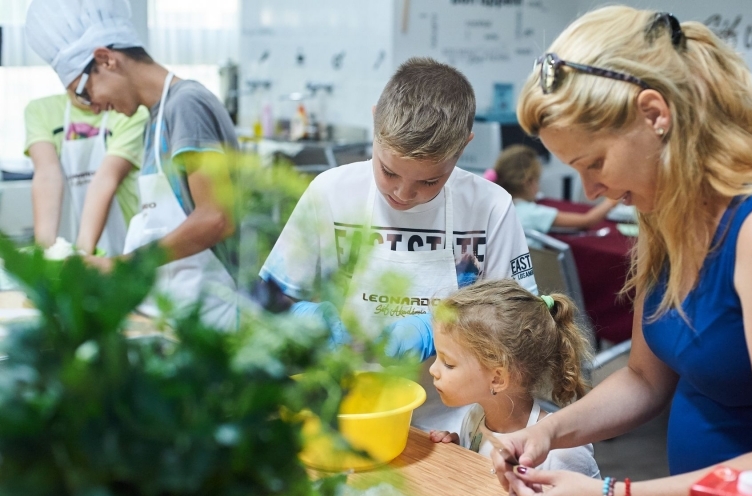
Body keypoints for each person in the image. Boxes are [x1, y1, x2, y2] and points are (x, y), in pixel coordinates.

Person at [489, 7, 752, 496]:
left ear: (655, 113)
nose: (591, 191)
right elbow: (643, 379)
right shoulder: (664, 218)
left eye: (595, 163)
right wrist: (547, 432)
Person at [259, 57, 538, 434]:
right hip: (346, 412)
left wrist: (436, 329)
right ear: (375, 122)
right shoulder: (331, 193)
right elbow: (265, 304)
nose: (403, 193)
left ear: (464, 146)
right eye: (388, 171)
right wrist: (309, 320)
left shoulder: (489, 207)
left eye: (429, 181)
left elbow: (524, 324)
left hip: (453, 422)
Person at [26, 0, 239, 330]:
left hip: (209, 320)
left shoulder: (187, 104)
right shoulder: (155, 119)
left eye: (85, 93)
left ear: (106, 59)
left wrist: (122, 266)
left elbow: (216, 218)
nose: (94, 107)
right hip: (174, 315)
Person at [427, 279, 599, 478]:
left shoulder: (561, 453)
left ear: (498, 379)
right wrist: (459, 457)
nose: (432, 370)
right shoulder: (474, 419)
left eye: (448, 363)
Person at [25, 90, 147, 256]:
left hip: (120, 244)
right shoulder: (41, 110)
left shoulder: (128, 112)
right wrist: (45, 252)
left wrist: (83, 254)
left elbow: (106, 179)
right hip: (65, 240)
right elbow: (47, 175)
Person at [486, 144, 617, 234]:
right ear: (528, 183)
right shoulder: (532, 213)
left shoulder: (494, 208)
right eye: (537, 180)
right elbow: (588, 221)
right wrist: (612, 200)